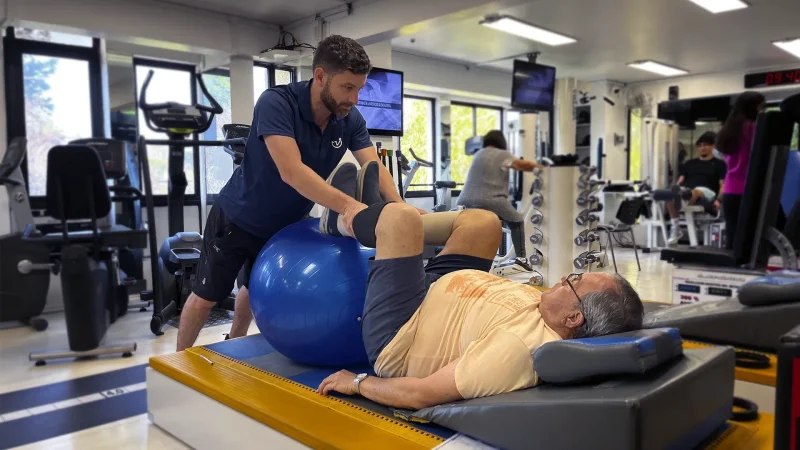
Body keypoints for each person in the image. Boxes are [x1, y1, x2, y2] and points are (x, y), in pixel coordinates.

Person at [314, 162, 644, 409]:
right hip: (444, 289)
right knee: (484, 222)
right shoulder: (554, 310)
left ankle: (348, 220)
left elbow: (421, 394)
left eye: (573, 282)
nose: (562, 279)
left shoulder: (518, 350)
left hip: (403, 329)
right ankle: (374, 219)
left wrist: (357, 383)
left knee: (401, 219)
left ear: (573, 319)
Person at [176, 35, 418, 351]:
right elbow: (291, 171)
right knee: (207, 295)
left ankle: (235, 340)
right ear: (320, 76)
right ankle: (178, 361)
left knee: (254, 285)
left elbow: (373, 165)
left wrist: (400, 208)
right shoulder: (277, 103)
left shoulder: (349, 120)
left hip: (285, 223)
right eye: (348, 88)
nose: (355, 99)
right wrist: (348, 206)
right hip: (238, 216)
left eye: (360, 89)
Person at [456, 130, 544, 269]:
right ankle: (521, 258)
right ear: (501, 142)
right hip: (491, 199)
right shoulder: (502, 154)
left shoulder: (479, 154)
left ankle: (471, 259)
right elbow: (521, 165)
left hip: (465, 200)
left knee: (478, 227)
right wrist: (543, 169)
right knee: (517, 220)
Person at [716, 91, 766, 249]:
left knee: (733, 236)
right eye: (760, 106)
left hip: (731, 190)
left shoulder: (727, 130)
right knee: (751, 238)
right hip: (749, 188)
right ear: (752, 107)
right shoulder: (751, 127)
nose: (762, 110)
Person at [666, 131, 727, 244]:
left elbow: (723, 185)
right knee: (671, 195)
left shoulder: (720, 164)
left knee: (695, 191)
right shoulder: (689, 163)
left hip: (708, 193)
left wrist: (719, 200)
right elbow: (680, 181)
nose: (703, 148)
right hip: (687, 191)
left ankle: (682, 201)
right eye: (701, 145)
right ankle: (676, 230)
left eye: (706, 145)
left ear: (712, 146)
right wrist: (675, 188)